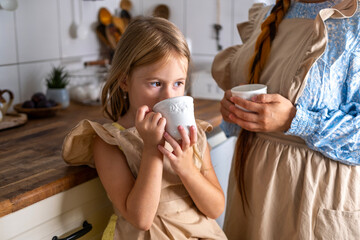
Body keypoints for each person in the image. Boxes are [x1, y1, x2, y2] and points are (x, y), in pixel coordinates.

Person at [62, 16, 227, 240]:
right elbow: (141, 219)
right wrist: (151, 150)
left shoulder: (192, 134)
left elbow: (215, 209)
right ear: (124, 81)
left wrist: (187, 168)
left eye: (178, 83)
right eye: (156, 83)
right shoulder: (110, 142)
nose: (168, 95)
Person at [211, 0, 360, 239]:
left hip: (314, 193)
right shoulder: (268, 14)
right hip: (252, 189)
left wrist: (296, 120)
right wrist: (235, 111)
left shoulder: (355, 20)